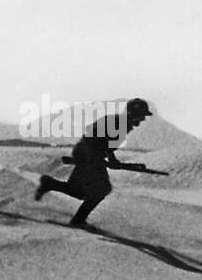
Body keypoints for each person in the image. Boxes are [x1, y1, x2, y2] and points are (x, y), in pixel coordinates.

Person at [34, 97, 152, 227]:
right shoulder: (119, 123)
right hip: (89, 154)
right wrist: (108, 160)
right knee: (102, 189)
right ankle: (78, 221)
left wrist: (110, 159)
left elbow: (104, 141)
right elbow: (99, 138)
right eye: (141, 116)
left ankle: (49, 183)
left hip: (86, 153)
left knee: (79, 191)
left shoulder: (119, 122)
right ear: (132, 113)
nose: (142, 119)